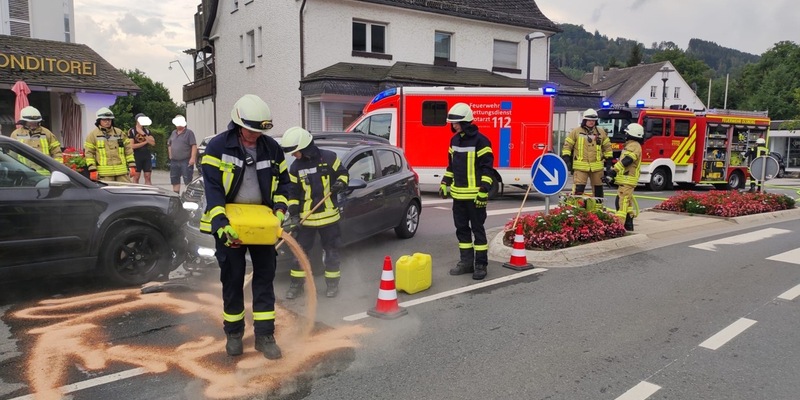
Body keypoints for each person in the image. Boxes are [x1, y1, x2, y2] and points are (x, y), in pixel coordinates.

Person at [199, 94, 291, 360]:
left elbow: (284, 183)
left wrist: (281, 209)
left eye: (259, 131)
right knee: (233, 277)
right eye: (251, 131)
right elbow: (213, 188)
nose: (255, 136)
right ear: (238, 124)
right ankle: (234, 333)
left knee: (265, 277)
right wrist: (221, 224)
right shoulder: (218, 147)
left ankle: (264, 335)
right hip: (231, 224)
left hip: (262, 225)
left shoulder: (271, 148)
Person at [280, 126, 349, 299]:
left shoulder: (329, 158)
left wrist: (340, 183)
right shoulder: (295, 168)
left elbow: (344, 174)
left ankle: (332, 285)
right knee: (300, 254)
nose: (294, 155)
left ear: (305, 147)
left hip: (329, 217)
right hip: (306, 219)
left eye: (295, 152)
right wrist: (294, 215)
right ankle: (297, 286)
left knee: (331, 252)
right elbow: (293, 194)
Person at [439, 103, 494, 281]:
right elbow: (451, 166)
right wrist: (445, 181)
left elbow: (487, 168)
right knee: (461, 230)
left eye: (456, 123)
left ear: (466, 122)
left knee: (478, 230)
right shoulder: (454, 141)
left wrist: (484, 190)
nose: (453, 126)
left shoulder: (481, 141)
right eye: (453, 123)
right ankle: (466, 262)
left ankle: (480, 265)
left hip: (475, 197)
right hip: (458, 196)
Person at [562, 108, 613, 200]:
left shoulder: (601, 133)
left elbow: (608, 148)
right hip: (580, 167)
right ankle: (577, 209)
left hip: (597, 168)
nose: (591, 122)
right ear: (584, 120)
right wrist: (567, 160)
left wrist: (609, 163)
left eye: (593, 120)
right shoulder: (576, 131)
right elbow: (567, 146)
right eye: (589, 120)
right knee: (578, 190)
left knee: (598, 191)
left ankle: (598, 210)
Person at [608, 123, 644, 231]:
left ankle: (619, 227)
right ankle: (629, 225)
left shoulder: (634, 146)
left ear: (631, 134)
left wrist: (614, 171)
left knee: (621, 203)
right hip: (625, 179)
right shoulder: (631, 145)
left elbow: (627, 160)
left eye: (626, 133)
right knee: (627, 204)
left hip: (628, 179)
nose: (625, 135)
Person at [84, 107, 135, 182]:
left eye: (109, 119)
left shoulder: (119, 133)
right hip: (105, 175)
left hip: (122, 173)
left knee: (125, 192)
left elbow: (128, 150)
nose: (107, 122)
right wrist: (92, 170)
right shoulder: (92, 135)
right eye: (104, 119)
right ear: (99, 121)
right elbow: (89, 154)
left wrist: (132, 165)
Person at [168, 114, 197, 193]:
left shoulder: (189, 133)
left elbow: (194, 146)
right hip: (174, 161)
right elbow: (169, 144)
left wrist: (192, 158)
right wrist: (170, 155)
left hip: (185, 160)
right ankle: (176, 196)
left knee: (187, 179)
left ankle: (188, 196)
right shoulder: (173, 133)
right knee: (175, 179)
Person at [128, 113, 156, 185]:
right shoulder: (132, 131)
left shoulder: (147, 131)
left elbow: (153, 143)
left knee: (148, 176)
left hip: (146, 155)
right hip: (136, 155)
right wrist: (145, 142)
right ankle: (136, 193)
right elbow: (132, 146)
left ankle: (149, 192)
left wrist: (143, 134)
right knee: (136, 176)